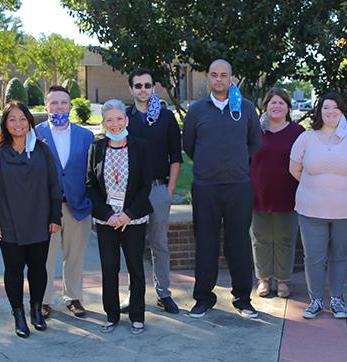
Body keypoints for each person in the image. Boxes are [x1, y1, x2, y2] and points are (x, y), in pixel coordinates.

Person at [182, 59, 262, 319]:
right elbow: (190, 146)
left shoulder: (247, 108)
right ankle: (204, 298)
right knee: (205, 243)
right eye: (214, 75)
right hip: (205, 187)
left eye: (224, 75)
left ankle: (242, 298)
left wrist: (234, 164)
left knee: (238, 243)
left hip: (238, 186)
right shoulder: (196, 111)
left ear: (232, 78)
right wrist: (210, 165)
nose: (219, 79)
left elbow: (254, 144)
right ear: (208, 78)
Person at [290, 92, 347, 320]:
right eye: (326, 108)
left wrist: (343, 188)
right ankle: (315, 300)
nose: (330, 112)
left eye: (335, 108)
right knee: (314, 257)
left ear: (342, 111)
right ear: (319, 111)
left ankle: (337, 299)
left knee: (339, 255)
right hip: (311, 210)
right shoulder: (306, 138)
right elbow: (294, 169)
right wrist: (318, 187)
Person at [0, 101, 62, 338]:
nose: (18, 124)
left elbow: (54, 186)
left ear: (30, 122)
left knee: (38, 268)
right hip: (8, 222)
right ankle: (18, 314)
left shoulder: (42, 150)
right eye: (12, 119)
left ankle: (36, 310)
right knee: (14, 270)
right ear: (5, 124)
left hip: (39, 220)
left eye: (22, 119)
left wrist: (54, 216)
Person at [87, 99, 154, 334]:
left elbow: (146, 186)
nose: (114, 124)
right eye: (109, 120)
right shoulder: (96, 148)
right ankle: (112, 315)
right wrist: (109, 215)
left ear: (126, 120)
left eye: (119, 119)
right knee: (109, 267)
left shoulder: (141, 146)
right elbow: (91, 186)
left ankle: (137, 315)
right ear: (103, 123)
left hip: (133, 220)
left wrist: (128, 214)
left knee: (136, 267)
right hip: (107, 221)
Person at [120, 68, 182, 314]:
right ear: (131, 89)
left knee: (159, 244)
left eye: (147, 85)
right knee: (132, 246)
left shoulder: (165, 118)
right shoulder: (124, 117)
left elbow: (176, 157)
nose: (143, 90)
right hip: (131, 193)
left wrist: (170, 189)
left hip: (158, 190)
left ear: (153, 88)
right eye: (138, 86)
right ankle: (132, 295)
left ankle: (163, 293)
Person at [36, 86, 95, 319]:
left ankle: (73, 297)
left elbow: (93, 171)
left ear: (70, 106)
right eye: (54, 103)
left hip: (77, 204)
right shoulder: (35, 133)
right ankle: (43, 299)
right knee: (45, 256)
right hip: (45, 207)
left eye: (64, 103)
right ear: (46, 106)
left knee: (75, 255)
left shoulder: (86, 136)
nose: (59, 107)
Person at [250, 87, 304, 298]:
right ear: (266, 106)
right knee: (260, 238)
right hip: (258, 193)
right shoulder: (255, 131)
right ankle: (263, 279)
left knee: (285, 238)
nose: (277, 106)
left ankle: (282, 280)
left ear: (288, 108)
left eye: (281, 103)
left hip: (288, 194)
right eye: (273, 102)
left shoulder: (298, 132)